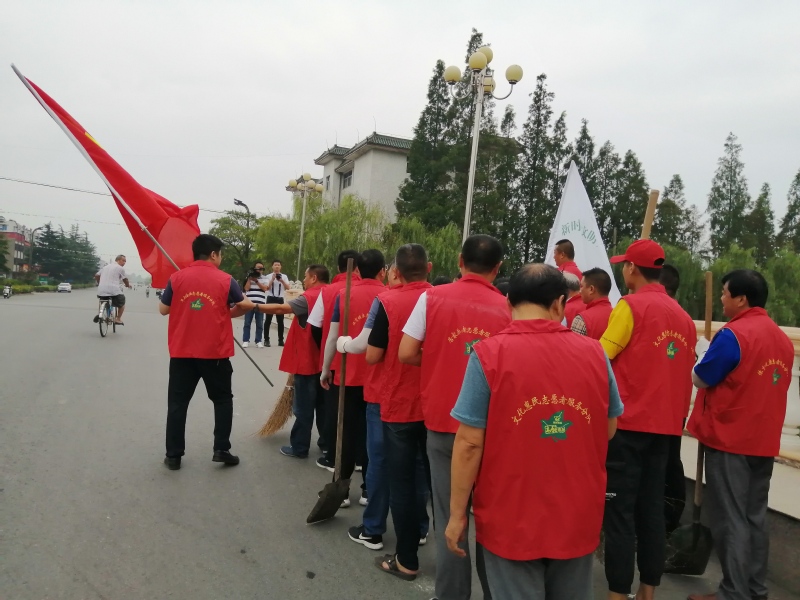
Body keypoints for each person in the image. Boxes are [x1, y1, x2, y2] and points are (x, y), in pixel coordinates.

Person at [445, 264, 623, 598]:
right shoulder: (595, 353)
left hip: (509, 515)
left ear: (508, 302)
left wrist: (457, 515)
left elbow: (469, 443)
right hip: (577, 514)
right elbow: (608, 428)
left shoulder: (487, 354)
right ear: (560, 303)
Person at [399, 234, 511, 600]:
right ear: (497, 268)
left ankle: (452, 594)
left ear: (460, 261)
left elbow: (406, 352)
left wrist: (437, 360)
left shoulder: (431, 298)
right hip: (494, 428)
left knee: (451, 514)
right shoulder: (507, 307)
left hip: (445, 423)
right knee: (493, 518)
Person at [687, 270, 794, 600]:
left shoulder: (735, 335)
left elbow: (702, 378)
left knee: (730, 519)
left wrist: (703, 353)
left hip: (730, 439)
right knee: (754, 517)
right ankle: (754, 589)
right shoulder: (781, 340)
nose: (721, 298)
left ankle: (733, 593)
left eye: (725, 293)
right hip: (763, 440)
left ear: (742, 299)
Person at [600, 239, 697, 600]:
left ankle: (616, 593)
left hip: (628, 427)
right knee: (652, 511)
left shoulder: (630, 306)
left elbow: (601, 357)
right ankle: (648, 590)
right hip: (667, 430)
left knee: (620, 514)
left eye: (624, 265)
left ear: (631, 269)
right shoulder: (683, 318)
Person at [339, 245, 433, 578]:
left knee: (381, 463)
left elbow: (372, 354)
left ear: (395, 272)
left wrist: (345, 344)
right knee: (420, 467)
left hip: (388, 396)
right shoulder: (438, 299)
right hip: (429, 398)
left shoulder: (387, 301)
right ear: (429, 268)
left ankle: (373, 529)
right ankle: (418, 529)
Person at [158, 234, 256, 470]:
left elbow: (163, 309)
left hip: (182, 353)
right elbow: (244, 304)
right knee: (222, 400)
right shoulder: (226, 280)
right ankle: (221, 449)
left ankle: (173, 455)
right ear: (213, 254)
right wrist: (225, 314)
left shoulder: (176, 278)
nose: (220, 258)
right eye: (220, 254)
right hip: (215, 354)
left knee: (178, 403)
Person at [319, 250, 387, 507]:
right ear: (383, 271)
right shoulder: (388, 296)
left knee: (345, 435)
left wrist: (326, 368)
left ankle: (342, 489)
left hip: (348, 377)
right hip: (377, 377)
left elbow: (333, 337)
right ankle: (369, 489)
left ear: (357, 269)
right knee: (372, 436)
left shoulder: (344, 294)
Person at [258, 264, 330, 458]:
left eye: (306, 276)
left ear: (314, 278)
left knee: (304, 408)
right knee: (324, 407)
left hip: (307, 361)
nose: (304, 280)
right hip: (326, 361)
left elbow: (281, 308)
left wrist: (254, 306)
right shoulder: (332, 294)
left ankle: (299, 447)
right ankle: (327, 444)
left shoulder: (309, 297)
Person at [308, 250, 362, 471]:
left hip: (335, 361)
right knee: (361, 414)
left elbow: (315, 326)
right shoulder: (381, 292)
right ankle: (360, 458)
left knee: (335, 412)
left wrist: (325, 356)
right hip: (367, 362)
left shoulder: (327, 291)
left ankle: (333, 456)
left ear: (338, 267)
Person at [658, 263, 686, 533]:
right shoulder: (685, 319)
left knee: (659, 466)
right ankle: (670, 521)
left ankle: (663, 520)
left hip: (650, 407)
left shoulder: (643, 312)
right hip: (676, 406)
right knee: (671, 462)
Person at [571, 267, 613, 340]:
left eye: (581, 286)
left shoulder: (581, 320)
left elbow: (573, 346)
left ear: (591, 289)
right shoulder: (617, 315)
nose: (580, 291)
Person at [94, 255, 131, 325]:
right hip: (113, 290)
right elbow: (125, 279)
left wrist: (99, 283)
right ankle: (118, 319)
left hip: (101, 289)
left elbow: (97, 275)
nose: (124, 262)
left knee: (102, 299)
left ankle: (100, 314)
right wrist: (127, 285)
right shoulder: (120, 268)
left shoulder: (105, 267)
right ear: (118, 260)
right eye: (123, 260)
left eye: (125, 261)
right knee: (122, 303)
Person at [241, 261, 269, 348]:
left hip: (260, 304)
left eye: (261, 268)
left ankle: (258, 341)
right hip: (249, 303)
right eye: (258, 268)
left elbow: (265, 288)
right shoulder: (249, 277)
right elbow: (246, 288)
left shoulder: (265, 278)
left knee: (259, 323)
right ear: (254, 268)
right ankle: (246, 340)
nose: (259, 270)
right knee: (247, 323)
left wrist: (256, 281)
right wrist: (250, 279)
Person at [263, 259, 287, 347]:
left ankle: (281, 340)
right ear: (272, 266)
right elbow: (267, 288)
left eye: (278, 265)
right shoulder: (268, 276)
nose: (277, 266)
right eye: (275, 265)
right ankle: (266, 340)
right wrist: (272, 279)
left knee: (280, 321)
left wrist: (282, 281)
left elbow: (288, 287)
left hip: (280, 299)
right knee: (268, 320)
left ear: (281, 267)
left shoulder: (284, 276)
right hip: (270, 298)